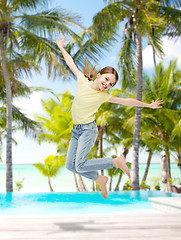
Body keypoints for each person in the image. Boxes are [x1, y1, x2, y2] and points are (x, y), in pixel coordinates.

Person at [55, 34, 164, 199]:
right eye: (106, 79)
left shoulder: (103, 96)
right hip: (76, 130)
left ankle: (116, 162)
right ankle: (100, 179)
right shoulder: (82, 81)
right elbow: (71, 62)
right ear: (99, 75)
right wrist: (62, 47)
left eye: (111, 84)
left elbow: (127, 101)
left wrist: (148, 105)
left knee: (81, 164)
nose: (107, 84)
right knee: (71, 166)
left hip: (88, 130)